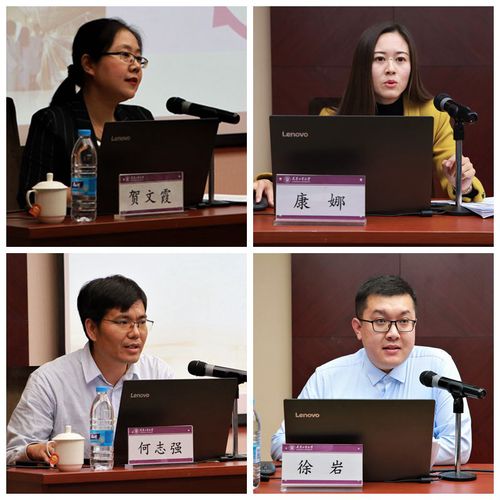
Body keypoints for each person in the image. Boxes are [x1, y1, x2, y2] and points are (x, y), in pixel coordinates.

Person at [254, 21, 485, 204]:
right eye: (379, 59)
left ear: (411, 66)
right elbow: (302, 171)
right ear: (363, 67)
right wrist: (270, 182)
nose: (391, 69)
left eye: (400, 59)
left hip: (410, 223)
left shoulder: (434, 115)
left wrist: (463, 184)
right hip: (347, 222)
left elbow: (453, 173)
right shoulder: (331, 118)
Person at [270, 275, 472, 465]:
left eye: (403, 321)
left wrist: (364, 451)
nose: (393, 334)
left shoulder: (437, 365)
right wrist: (397, 450)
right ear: (358, 328)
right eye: (380, 321)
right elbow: (280, 444)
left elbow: (459, 447)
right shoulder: (327, 376)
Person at [7, 275, 174, 465]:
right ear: (92, 328)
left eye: (141, 322)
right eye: (123, 322)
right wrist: (33, 451)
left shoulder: (158, 373)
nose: (136, 333)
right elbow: (12, 451)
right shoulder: (49, 380)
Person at [17, 18, 152, 208]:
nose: (136, 66)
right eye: (125, 55)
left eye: (138, 58)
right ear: (89, 64)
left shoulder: (140, 118)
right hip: (78, 225)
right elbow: (30, 197)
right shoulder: (52, 122)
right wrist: (91, 193)